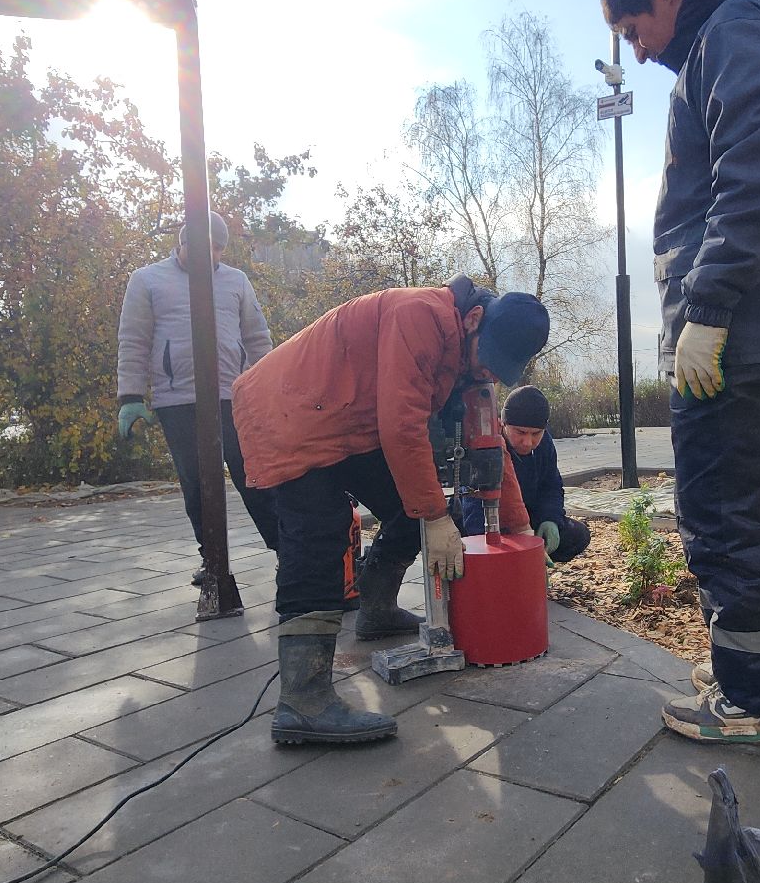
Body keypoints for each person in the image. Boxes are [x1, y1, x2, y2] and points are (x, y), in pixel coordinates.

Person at [597, 0, 760, 748]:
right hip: (749, 325)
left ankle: (758, 702)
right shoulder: (731, 34)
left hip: (738, 329)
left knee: (726, 515)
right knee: (729, 508)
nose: (638, 49)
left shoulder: (732, 30)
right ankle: (747, 669)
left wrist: (708, 306)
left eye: (634, 29)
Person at [235, 275, 549, 745]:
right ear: (475, 319)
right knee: (319, 534)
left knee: (411, 505)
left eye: (497, 370)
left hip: (346, 418)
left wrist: (521, 529)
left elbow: (489, 446)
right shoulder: (418, 315)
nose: (487, 372)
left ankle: (377, 611)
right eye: (487, 361)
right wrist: (437, 516)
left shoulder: (473, 352)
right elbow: (402, 423)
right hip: (289, 412)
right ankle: (303, 701)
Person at [116, 214, 280, 585]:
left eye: (218, 248)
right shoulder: (148, 280)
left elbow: (257, 338)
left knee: (256, 477)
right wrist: (130, 395)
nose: (211, 254)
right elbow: (134, 340)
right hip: (178, 400)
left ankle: (288, 555)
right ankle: (214, 563)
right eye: (203, 246)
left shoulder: (236, 281)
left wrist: (270, 387)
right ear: (183, 242)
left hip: (234, 397)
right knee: (197, 484)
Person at [456, 385, 591, 564]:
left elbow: (551, 485)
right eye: (520, 432)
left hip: (529, 516)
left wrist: (550, 519)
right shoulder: (485, 445)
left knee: (578, 535)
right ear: (502, 423)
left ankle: (536, 563)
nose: (528, 442)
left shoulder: (545, 444)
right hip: (487, 519)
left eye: (536, 434)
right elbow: (473, 508)